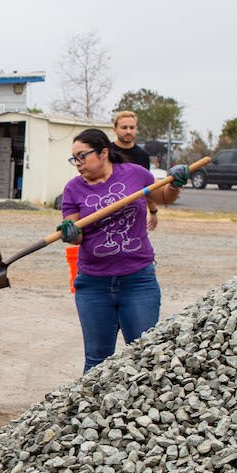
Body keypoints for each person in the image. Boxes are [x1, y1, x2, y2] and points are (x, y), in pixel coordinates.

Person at [60, 129, 187, 372]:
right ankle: (92, 409)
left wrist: (175, 184)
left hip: (138, 281)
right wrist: (71, 234)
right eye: (74, 158)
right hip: (93, 284)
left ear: (104, 152)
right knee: (97, 360)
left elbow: (164, 196)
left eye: (82, 156)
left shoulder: (135, 174)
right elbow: (75, 233)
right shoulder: (73, 189)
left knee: (143, 356)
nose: (77, 164)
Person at [110, 110, 159, 230]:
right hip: (109, 210)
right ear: (115, 129)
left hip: (135, 213)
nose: (128, 131)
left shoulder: (142, 155)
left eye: (132, 127)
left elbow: (147, 186)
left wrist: (153, 211)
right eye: (124, 127)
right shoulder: (107, 152)